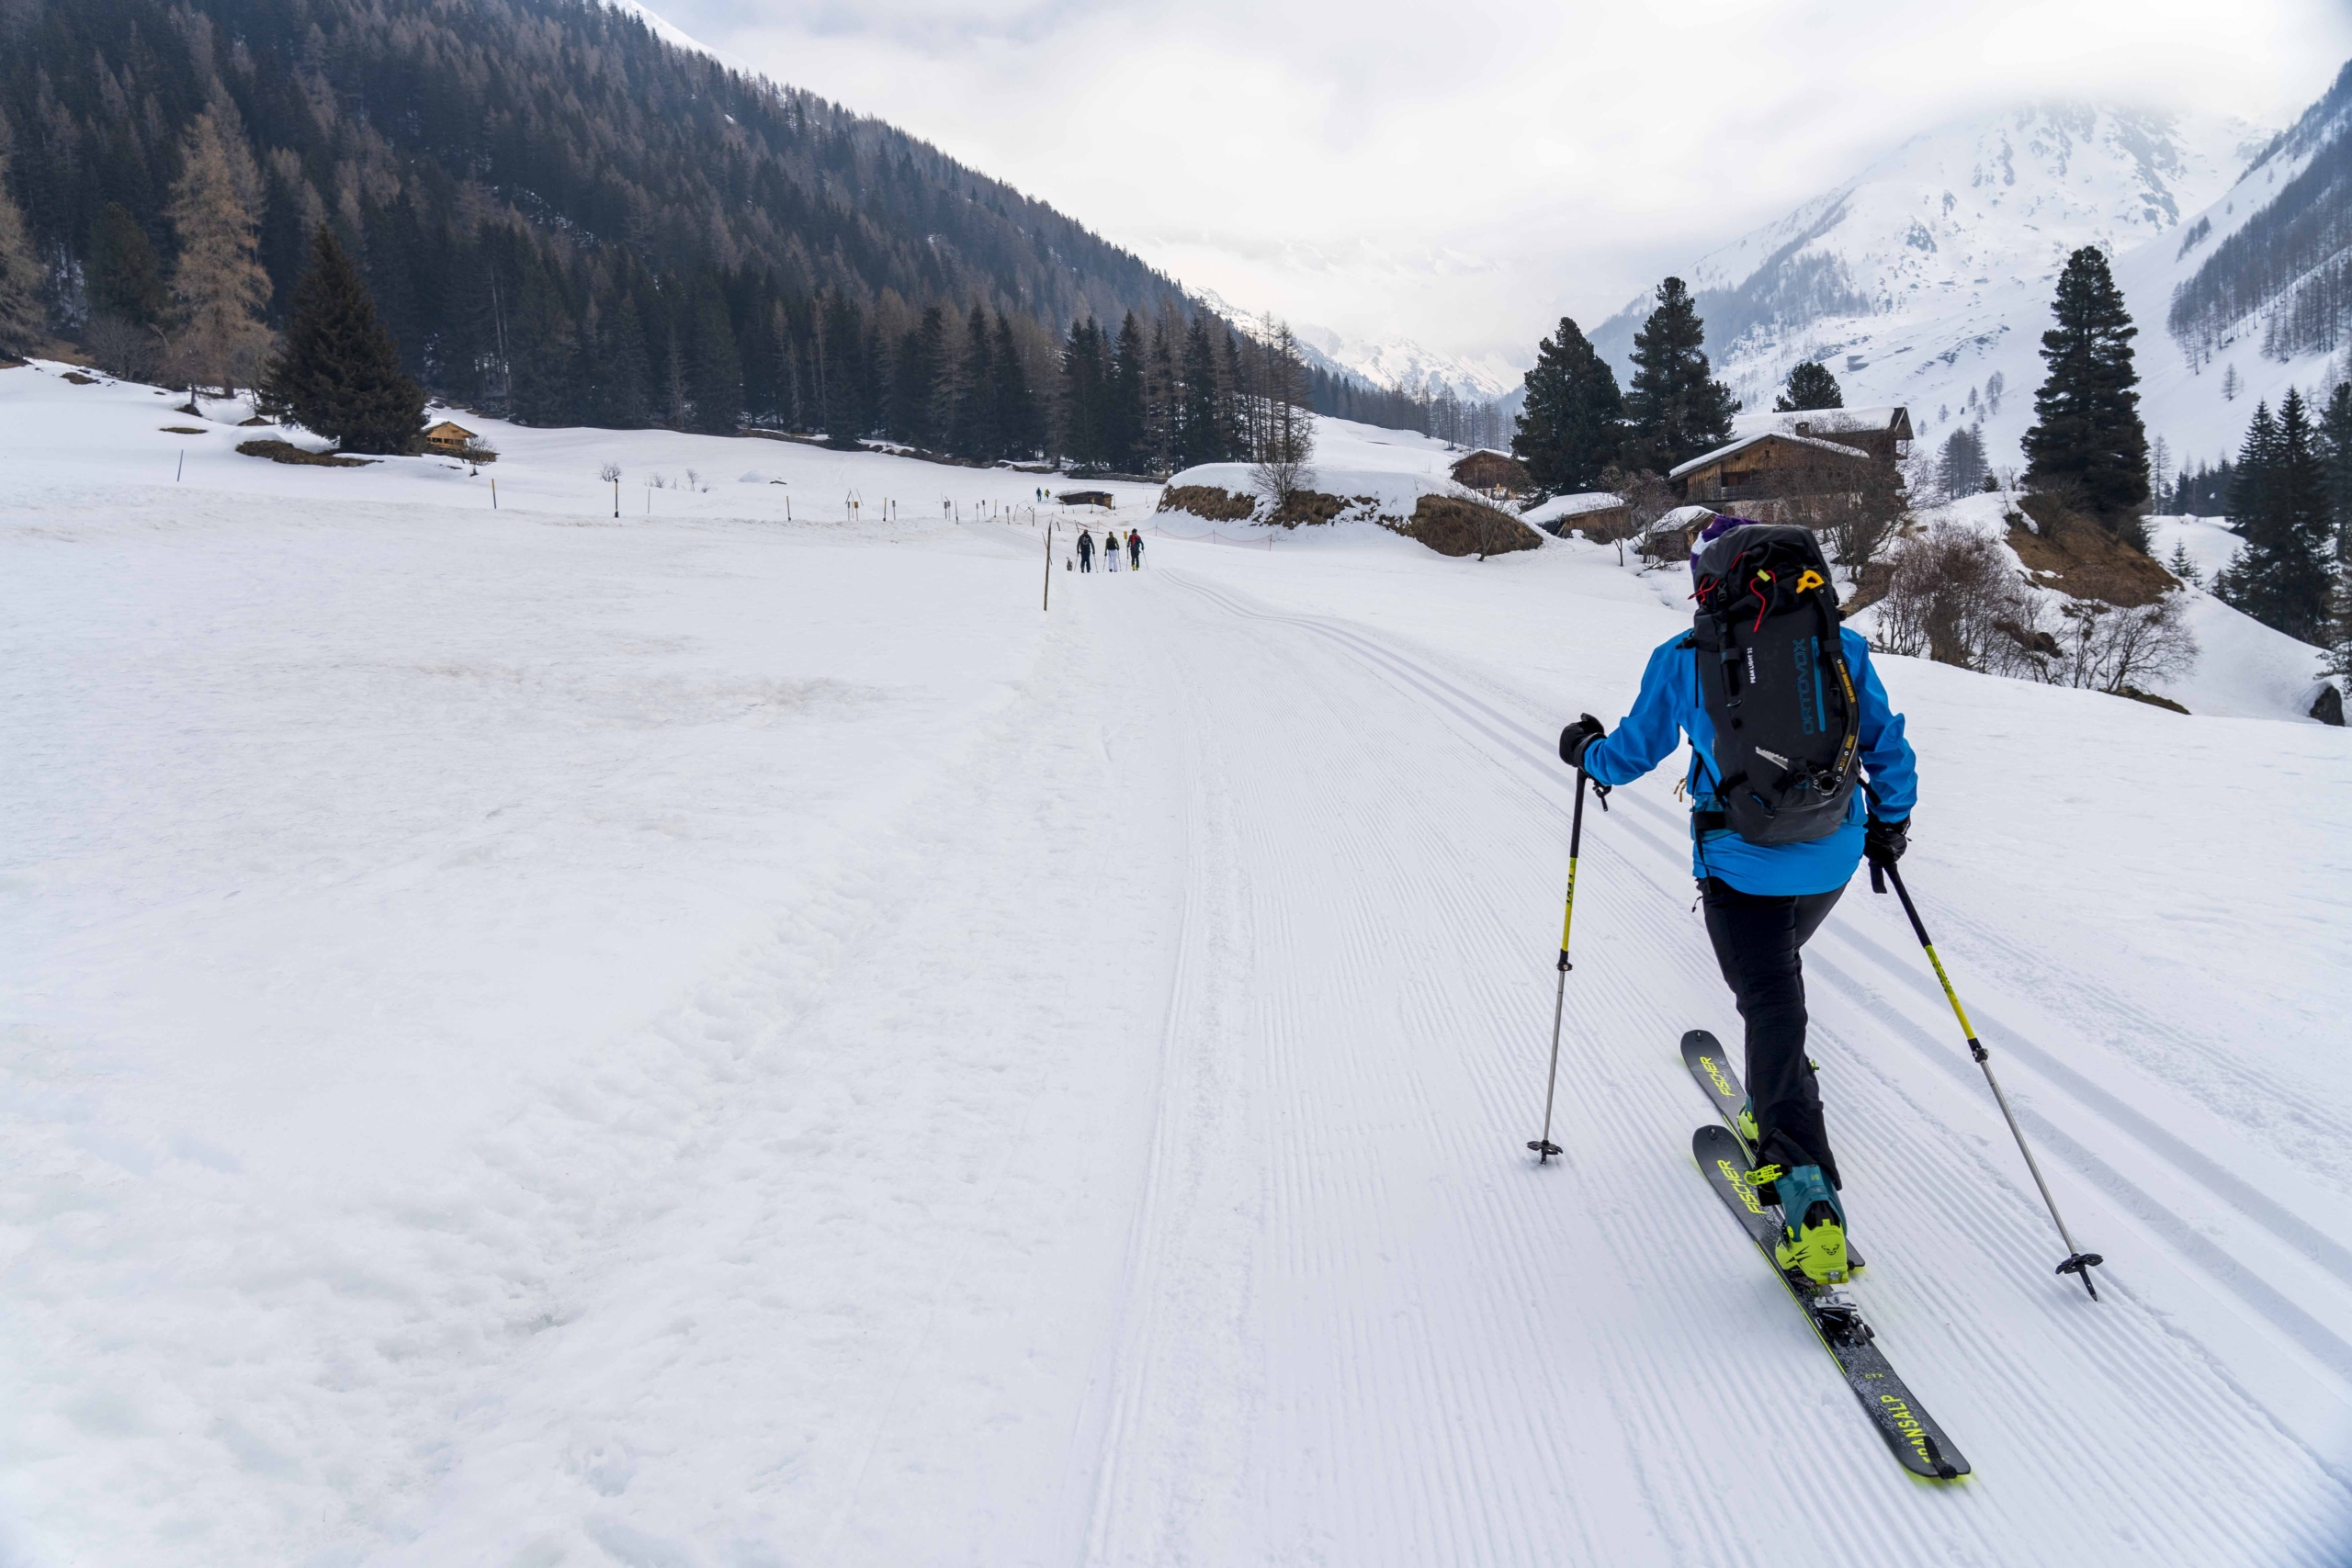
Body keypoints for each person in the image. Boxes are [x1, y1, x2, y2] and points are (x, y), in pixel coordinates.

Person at [1560, 515, 1917, 1287]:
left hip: (1739, 868)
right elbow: (1888, 747)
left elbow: (1627, 755)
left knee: (1770, 999)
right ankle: (1776, 1080)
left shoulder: (1687, 657)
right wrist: (1891, 822)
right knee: (1776, 984)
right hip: (1831, 856)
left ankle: (1808, 1199)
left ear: (1709, 580)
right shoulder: (1841, 648)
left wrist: (1583, 748)